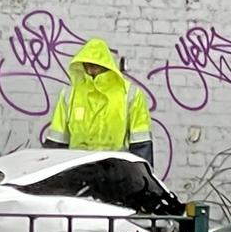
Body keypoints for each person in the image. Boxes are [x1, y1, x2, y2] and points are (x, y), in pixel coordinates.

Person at [42, 38, 153, 166]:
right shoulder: (69, 94)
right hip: (77, 169)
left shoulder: (129, 94)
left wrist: (141, 178)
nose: (89, 70)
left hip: (116, 171)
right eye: (86, 65)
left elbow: (141, 143)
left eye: (94, 66)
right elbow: (57, 140)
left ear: (106, 65)